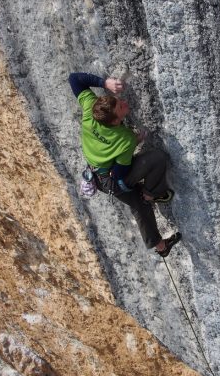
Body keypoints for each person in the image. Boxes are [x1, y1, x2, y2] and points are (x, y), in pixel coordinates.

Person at [69, 72, 181, 257]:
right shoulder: (125, 139)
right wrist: (134, 142)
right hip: (112, 180)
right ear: (115, 121)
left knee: (139, 204)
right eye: (121, 107)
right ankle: (151, 193)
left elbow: (74, 79)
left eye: (118, 101)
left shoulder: (91, 108)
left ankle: (161, 246)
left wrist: (104, 83)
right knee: (156, 159)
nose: (124, 103)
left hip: (96, 174)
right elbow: (120, 173)